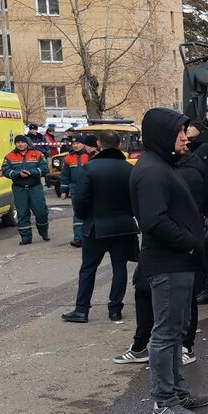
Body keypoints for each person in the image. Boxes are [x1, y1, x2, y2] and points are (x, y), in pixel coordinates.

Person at [130, 107, 208, 414]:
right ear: (163, 134)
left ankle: (177, 391)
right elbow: (154, 220)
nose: (185, 137)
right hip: (169, 262)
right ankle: (163, 401)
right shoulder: (151, 170)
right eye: (179, 131)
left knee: (175, 330)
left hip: (178, 262)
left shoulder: (161, 164)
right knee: (165, 334)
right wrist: (189, 241)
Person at [63, 131, 138, 323]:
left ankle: (82, 310)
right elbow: (136, 199)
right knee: (119, 267)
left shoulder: (90, 168)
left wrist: (84, 217)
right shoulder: (129, 169)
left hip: (96, 226)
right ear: (119, 144)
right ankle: (115, 309)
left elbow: (80, 199)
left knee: (88, 268)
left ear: (99, 144)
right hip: (123, 226)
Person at [179, 122, 208, 305]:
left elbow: (206, 181)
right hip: (205, 208)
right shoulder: (202, 146)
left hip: (206, 209)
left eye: (189, 127)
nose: (186, 131)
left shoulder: (205, 148)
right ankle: (207, 287)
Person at [2, 134, 50, 245]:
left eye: (22, 142)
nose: (20, 144)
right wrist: (17, 174)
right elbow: (5, 170)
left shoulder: (37, 154)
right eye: (18, 142)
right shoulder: (9, 156)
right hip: (19, 189)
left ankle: (44, 232)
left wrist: (32, 172)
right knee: (22, 213)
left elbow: (44, 168)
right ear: (15, 144)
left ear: (27, 143)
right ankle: (26, 237)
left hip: (35, 187)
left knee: (41, 212)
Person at [60, 135, 91, 246]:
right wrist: (63, 191)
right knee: (77, 213)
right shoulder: (68, 158)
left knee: (90, 212)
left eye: (77, 143)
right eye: (73, 144)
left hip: (89, 188)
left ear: (83, 144)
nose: (75, 145)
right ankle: (78, 238)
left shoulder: (90, 156)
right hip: (75, 188)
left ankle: (91, 237)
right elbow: (65, 175)